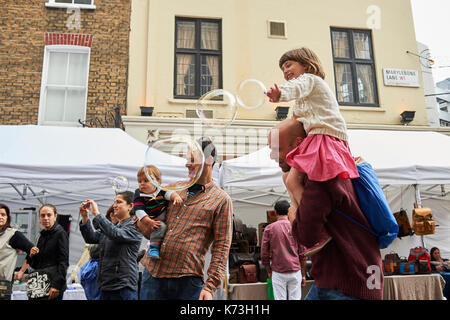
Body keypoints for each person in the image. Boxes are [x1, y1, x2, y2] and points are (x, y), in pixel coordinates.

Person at [268, 119, 383, 300]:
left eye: (276, 149)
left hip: (348, 284)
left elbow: (307, 236)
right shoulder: (328, 167)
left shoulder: (321, 176)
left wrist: (294, 210)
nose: (272, 156)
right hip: (346, 279)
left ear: (298, 144)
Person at [266, 47, 360, 255]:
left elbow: (296, 87)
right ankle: (302, 219)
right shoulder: (303, 98)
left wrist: (280, 94)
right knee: (288, 178)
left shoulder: (311, 80)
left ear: (307, 66)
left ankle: (317, 231)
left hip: (325, 136)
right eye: (283, 68)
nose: (285, 70)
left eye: (289, 64)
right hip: (317, 137)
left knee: (294, 181)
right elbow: (295, 120)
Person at [137, 137, 233, 300]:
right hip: (153, 272)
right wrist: (141, 220)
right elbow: (154, 230)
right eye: (187, 159)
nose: (187, 164)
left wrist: (210, 287)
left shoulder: (221, 199)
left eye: (192, 159)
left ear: (209, 160)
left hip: (187, 281)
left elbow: (222, 246)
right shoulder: (174, 188)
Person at [79, 192, 142, 300]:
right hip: (106, 284)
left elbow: (116, 234)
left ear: (130, 206)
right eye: (114, 202)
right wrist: (85, 217)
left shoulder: (135, 225)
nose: (114, 205)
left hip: (123, 285)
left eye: (119, 202)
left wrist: (97, 213)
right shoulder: (114, 226)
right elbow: (91, 238)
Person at [132, 165, 183, 259]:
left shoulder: (161, 190)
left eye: (146, 181)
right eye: (139, 181)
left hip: (161, 216)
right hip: (150, 219)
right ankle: (153, 248)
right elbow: (138, 210)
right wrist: (148, 221)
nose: (142, 184)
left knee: (162, 227)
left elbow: (169, 193)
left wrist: (176, 197)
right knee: (160, 226)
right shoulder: (139, 194)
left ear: (157, 182)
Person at [261, 200, 307, 300]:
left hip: (278, 270)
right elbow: (303, 252)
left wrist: (269, 270)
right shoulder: (296, 227)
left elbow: (264, 254)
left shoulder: (269, 229)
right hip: (295, 270)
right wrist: (303, 274)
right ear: (288, 211)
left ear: (275, 212)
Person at [25, 204, 70, 300]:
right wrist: (31, 255)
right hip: (39, 284)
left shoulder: (60, 234)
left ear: (55, 216)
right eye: (42, 215)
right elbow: (36, 264)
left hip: (52, 285)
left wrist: (56, 285)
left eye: (49, 215)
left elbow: (64, 262)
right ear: (39, 218)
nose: (45, 218)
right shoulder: (41, 235)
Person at [0, 203, 39, 300]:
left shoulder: (13, 235)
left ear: (7, 218)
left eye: (3, 215)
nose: (0, 217)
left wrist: (21, 271)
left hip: (2, 283)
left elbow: (32, 250)